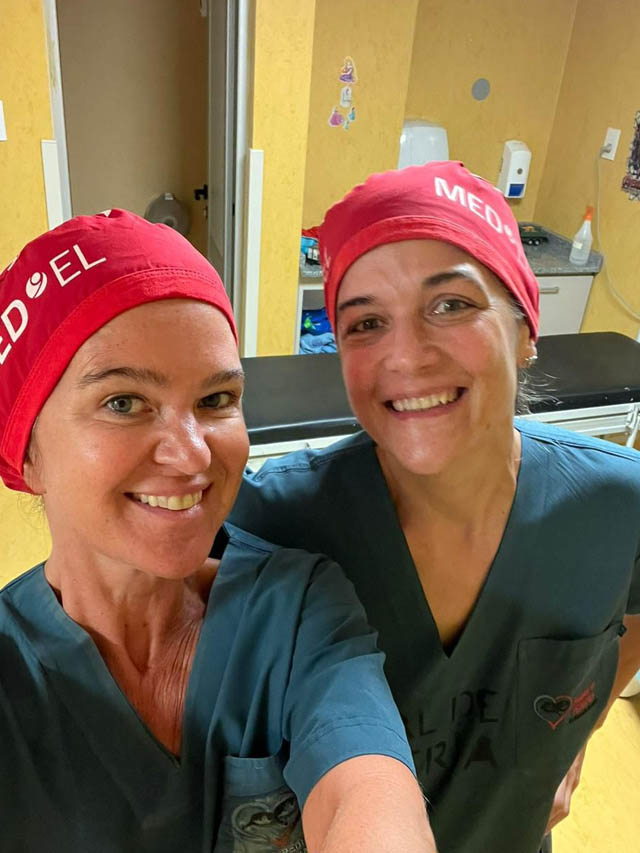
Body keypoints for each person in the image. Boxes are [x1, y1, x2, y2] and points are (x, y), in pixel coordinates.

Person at [229, 161, 640, 853]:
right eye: (366, 323)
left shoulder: (615, 505)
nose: (408, 356)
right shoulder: (275, 522)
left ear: (526, 328)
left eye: (450, 304)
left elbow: (628, 616)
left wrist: (577, 734)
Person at [0, 210, 436, 853]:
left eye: (215, 401)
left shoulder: (296, 609)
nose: (193, 455)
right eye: (124, 402)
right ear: (28, 453)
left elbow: (366, 793)